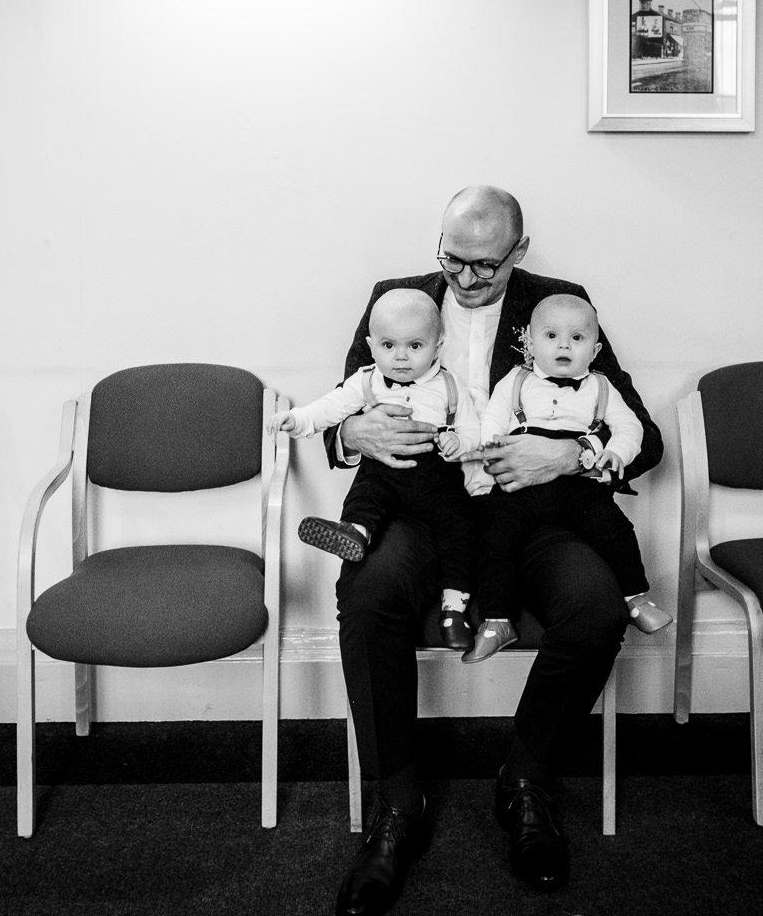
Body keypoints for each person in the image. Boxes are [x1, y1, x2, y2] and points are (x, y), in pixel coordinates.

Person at [327, 185, 662, 916]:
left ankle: (526, 782)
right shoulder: (398, 298)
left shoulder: (561, 301)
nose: (468, 279)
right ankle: (397, 804)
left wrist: (569, 455)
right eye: (454, 259)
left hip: (531, 510)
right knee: (368, 591)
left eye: (487, 264)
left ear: (520, 251)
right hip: (421, 506)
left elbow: (642, 436)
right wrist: (352, 435)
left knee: (596, 607)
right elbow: (343, 404)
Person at [462, 293, 670, 666]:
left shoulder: (602, 387)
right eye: (551, 336)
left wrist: (615, 453)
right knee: (495, 537)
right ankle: (496, 621)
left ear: (595, 350)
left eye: (577, 338)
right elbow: (493, 416)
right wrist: (493, 445)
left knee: (614, 529)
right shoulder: (516, 380)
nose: (563, 345)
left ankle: (637, 598)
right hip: (520, 487)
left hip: (578, 486)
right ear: (529, 341)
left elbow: (631, 429)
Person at [273, 289, 482, 648]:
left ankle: (454, 610)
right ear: (372, 346)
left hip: (436, 480)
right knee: (366, 494)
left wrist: (458, 443)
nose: (400, 357)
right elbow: (331, 407)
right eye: (388, 346)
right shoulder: (365, 381)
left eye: (415, 346)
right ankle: (355, 532)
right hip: (385, 475)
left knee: (458, 530)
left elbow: (472, 430)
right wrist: (299, 420)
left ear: (438, 345)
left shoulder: (450, 387)